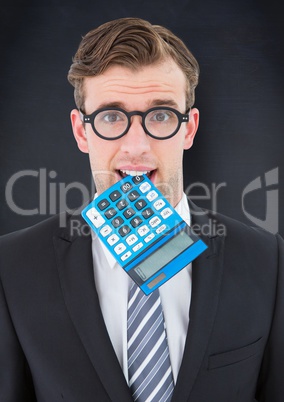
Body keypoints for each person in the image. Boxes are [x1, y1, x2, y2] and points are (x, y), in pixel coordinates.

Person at [0, 17, 283, 402]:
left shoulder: (268, 262)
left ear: (189, 128)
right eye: (111, 116)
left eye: (161, 115)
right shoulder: (11, 267)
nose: (137, 146)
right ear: (82, 131)